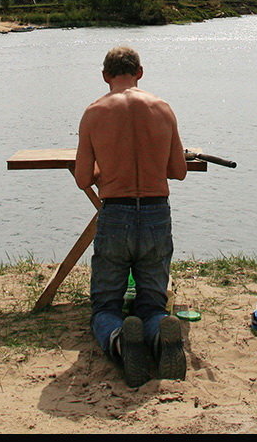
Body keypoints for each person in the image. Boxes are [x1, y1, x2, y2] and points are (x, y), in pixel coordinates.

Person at [74, 45, 190, 387]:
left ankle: (122, 341)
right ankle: (157, 335)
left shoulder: (94, 113)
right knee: (153, 303)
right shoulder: (163, 109)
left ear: (105, 76)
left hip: (116, 213)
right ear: (140, 72)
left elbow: (82, 179)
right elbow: (178, 171)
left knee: (106, 306)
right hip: (155, 212)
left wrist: (104, 167)